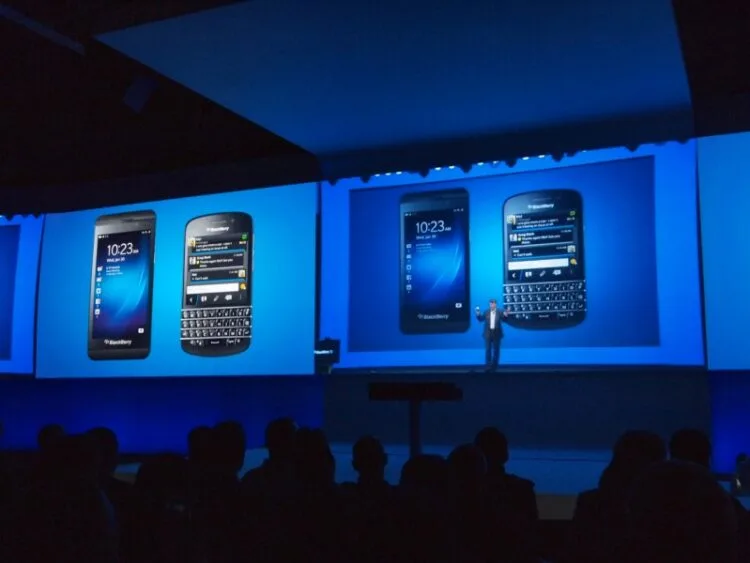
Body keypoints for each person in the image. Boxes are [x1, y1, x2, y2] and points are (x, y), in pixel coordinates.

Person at [475, 299, 508, 371]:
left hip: (497, 333)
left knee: (496, 350)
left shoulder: (500, 311)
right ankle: (488, 366)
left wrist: (506, 316)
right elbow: (481, 319)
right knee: (488, 350)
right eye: (490, 304)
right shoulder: (486, 312)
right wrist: (478, 314)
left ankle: (494, 366)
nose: (491, 305)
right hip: (488, 333)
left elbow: (504, 320)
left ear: (495, 304)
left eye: (493, 304)